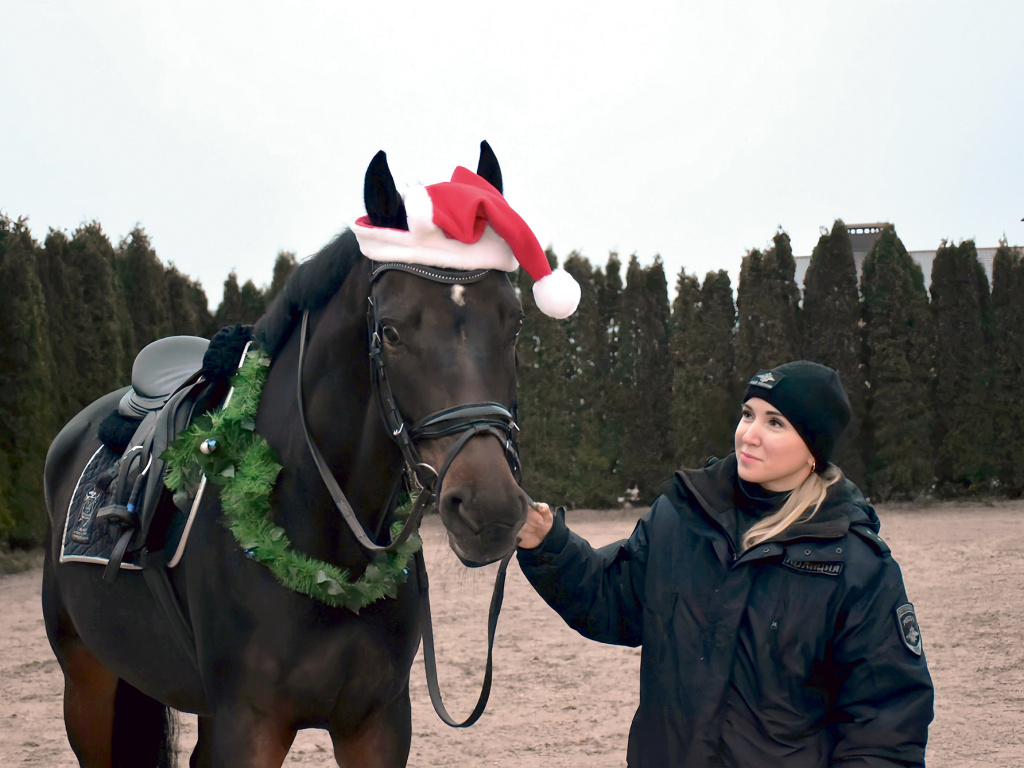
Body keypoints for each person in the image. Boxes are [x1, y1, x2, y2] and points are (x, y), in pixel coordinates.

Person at [517, 361, 933, 767]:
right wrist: (546, 541)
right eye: (748, 414)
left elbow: (886, 729)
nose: (749, 435)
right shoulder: (681, 518)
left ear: (813, 449)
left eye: (775, 423)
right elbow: (610, 599)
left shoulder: (856, 564)